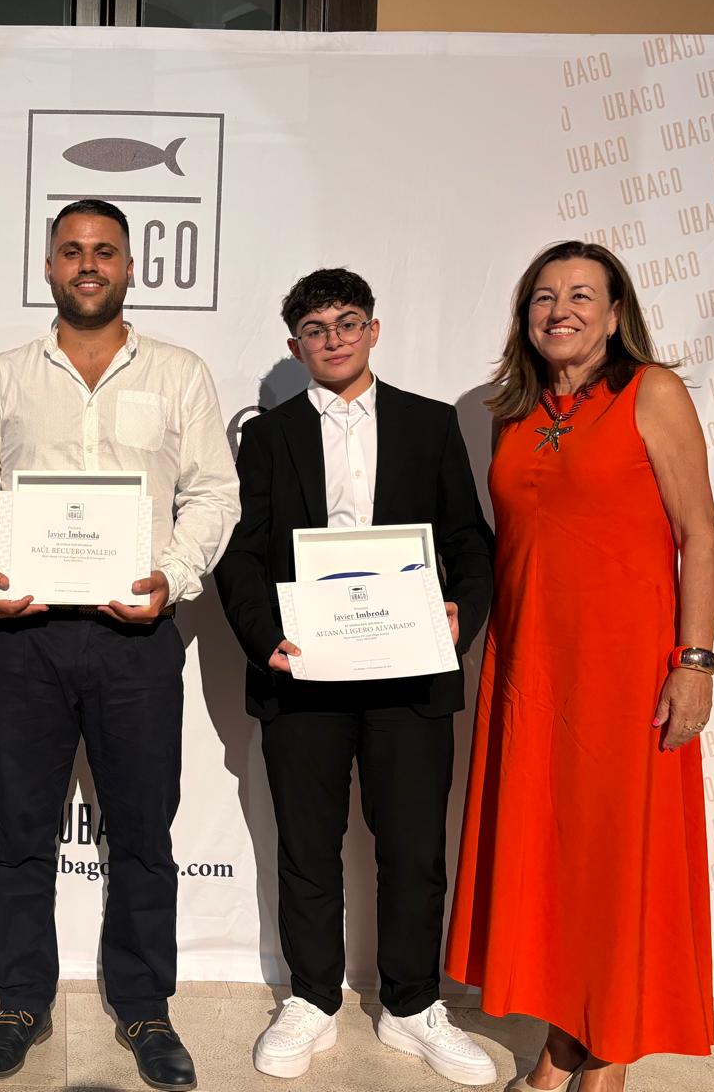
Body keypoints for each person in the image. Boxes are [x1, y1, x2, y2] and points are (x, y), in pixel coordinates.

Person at [0, 198, 239, 1092]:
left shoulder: (182, 373)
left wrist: (172, 577)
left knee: (145, 832)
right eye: (71, 251)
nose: (87, 264)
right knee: (21, 832)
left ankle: (146, 1008)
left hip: (136, 638)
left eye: (103, 251)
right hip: (24, 635)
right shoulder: (3, 375)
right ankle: (20, 1003)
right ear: (47, 267)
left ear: (129, 268)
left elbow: (214, 496)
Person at [445, 240, 714, 1092]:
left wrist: (696, 661)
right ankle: (563, 1040)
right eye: (542, 297)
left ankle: (601, 1056)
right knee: (550, 864)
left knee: (610, 861)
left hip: (625, 671)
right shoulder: (510, 409)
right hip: (531, 671)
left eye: (580, 295)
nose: (559, 310)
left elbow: (700, 535)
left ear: (613, 312)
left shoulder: (653, 393)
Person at [213, 268, 498, 1086]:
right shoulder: (267, 437)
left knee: (412, 849)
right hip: (303, 670)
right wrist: (264, 636)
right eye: (315, 329)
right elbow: (243, 550)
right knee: (308, 845)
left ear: (375, 329)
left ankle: (412, 1006)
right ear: (295, 345)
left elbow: (470, 543)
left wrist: (458, 615)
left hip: (408, 669)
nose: (332, 339)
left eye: (346, 323)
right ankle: (309, 1000)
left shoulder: (430, 424)